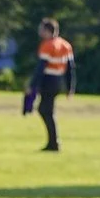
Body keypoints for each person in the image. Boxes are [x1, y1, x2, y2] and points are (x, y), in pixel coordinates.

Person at [23, 13, 74, 151]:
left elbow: (40, 68)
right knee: (46, 110)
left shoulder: (47, 45)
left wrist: (32, 86)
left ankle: (54, 143)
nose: (40, 32)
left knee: (45, 111)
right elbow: (70, 69)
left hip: (48, 80)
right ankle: (53, 142)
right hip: (58, 82)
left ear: (47, 31)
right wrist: (70, 87)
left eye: (42, 29)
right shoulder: (65, 45)